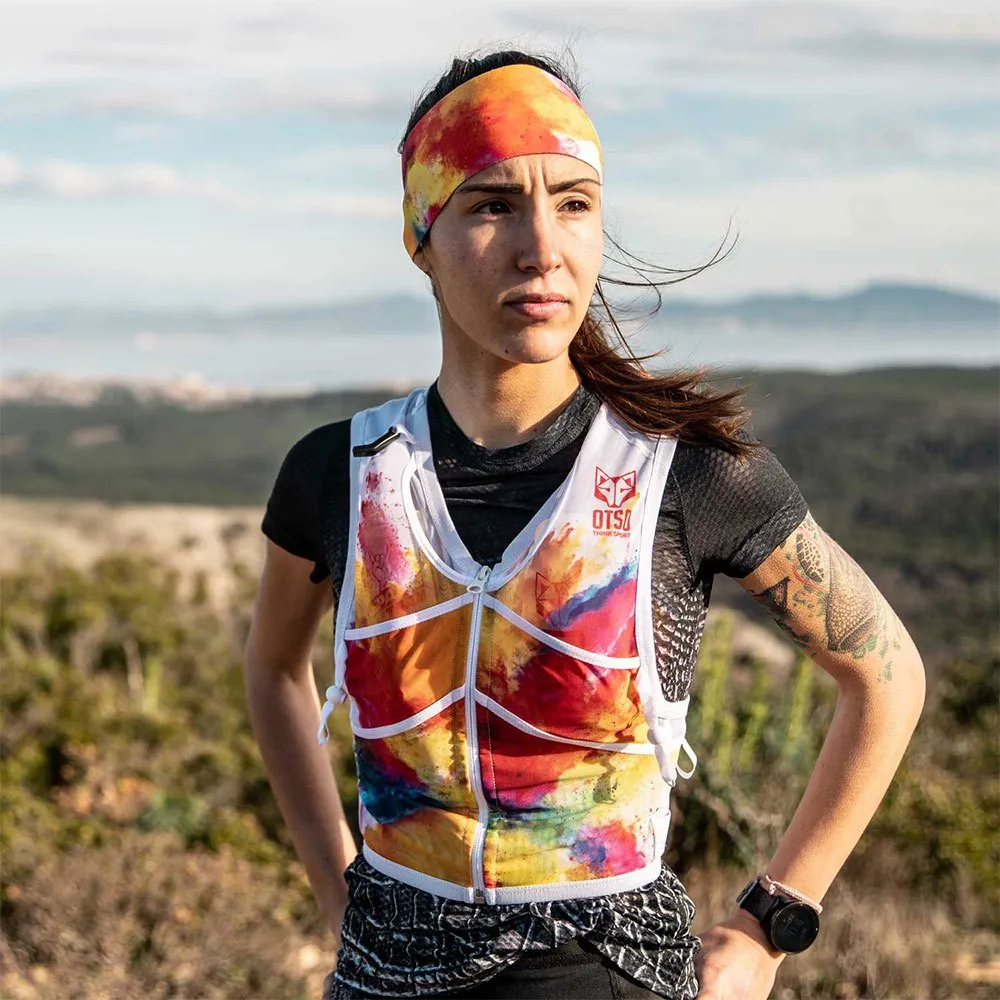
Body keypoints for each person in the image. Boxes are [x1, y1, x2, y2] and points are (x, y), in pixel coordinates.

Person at [244, 49, 926, 1000]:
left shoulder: (690, 475)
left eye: (573, 203)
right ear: (419, 234)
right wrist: (336, 886)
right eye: (492, 205)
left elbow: (886, 675)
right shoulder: (339, 474)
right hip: (380, 970)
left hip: (613, 972)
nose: (542, 248)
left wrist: (768, 926)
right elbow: (274, 668)